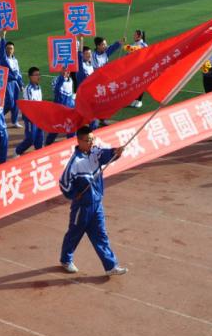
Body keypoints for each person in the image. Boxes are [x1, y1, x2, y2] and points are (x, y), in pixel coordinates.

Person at [58, 126, 128, 276]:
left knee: (101, 235)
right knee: (74, 234)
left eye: (92, 139)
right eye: (88, 140)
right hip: (82, 207)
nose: (91, 142)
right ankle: (65, 260)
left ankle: (111, 266)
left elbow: (106, 155)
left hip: (96, 204)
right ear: (79, 141)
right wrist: (74, 194)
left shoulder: (95, 152)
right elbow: (64, 183)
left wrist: (116, 152)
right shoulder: (75, 162)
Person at [15, 67, 46, 156]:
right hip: (30, 117)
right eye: (36, 75)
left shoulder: (38, 87)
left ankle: (39, 154)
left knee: (40, 137)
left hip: (38, 116)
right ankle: (17, 151)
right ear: (30, 77)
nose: (38, 77)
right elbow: (30, 106)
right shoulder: (28, 89)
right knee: (31, 139)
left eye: (39, 74)